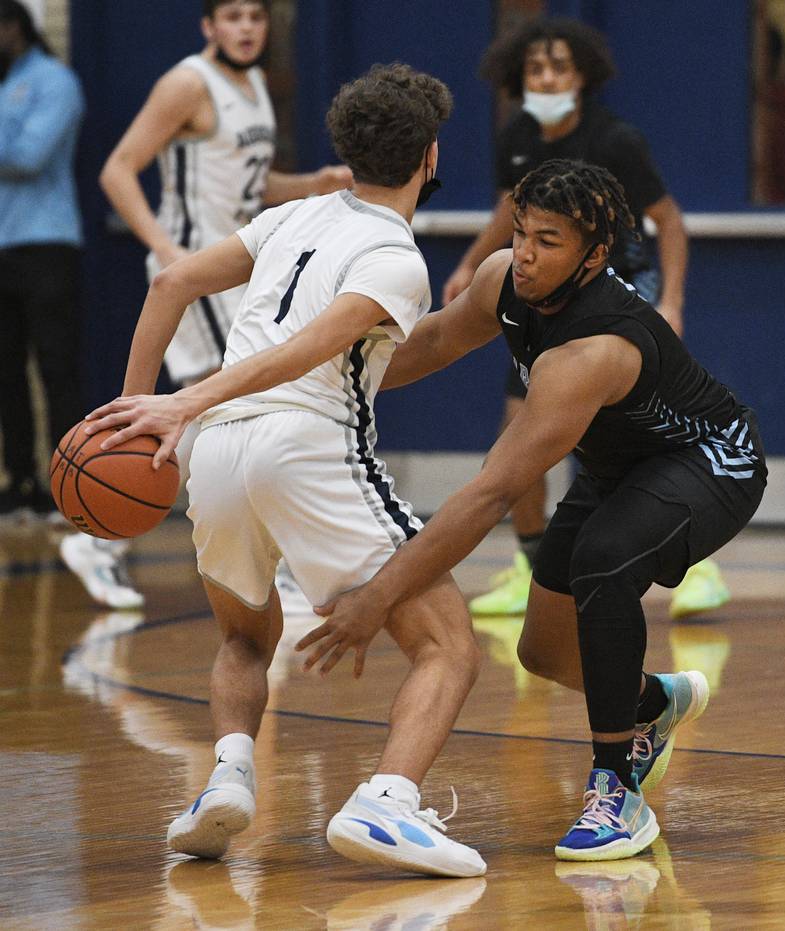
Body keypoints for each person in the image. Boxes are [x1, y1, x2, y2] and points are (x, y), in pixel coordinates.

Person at [298, 160, 767, 861]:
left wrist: (379, 596)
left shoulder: (594, 347)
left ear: (595, 255)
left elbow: (489, 492)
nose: (523, 253)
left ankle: (617, 790)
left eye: (547, 240)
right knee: (544, 652)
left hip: (711, 462)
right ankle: (648, 702)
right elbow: (431, 341)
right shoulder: (502, 279)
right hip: (620, 468)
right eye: (520, 232)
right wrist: (317, 384)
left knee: (602, 562)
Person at [83, 63, 486, 877]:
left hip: (218, 453)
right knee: (448, 643)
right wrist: (179, 401)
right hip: (300, 444)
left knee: (242, 633)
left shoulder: (291, 213)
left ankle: (226, 778)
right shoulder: (394, 254)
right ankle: (389, 803)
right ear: (431, 157)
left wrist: (142, 410)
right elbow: (309, 347)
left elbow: (170, 281)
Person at [60, 0, 350, 611]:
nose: (246, 27)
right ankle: (105, 535)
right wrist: (166, 248)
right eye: (233, 16)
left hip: (235, 269)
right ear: (208, 26)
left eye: (256, 16)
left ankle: (109, 534)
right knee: (230, 404)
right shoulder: (188, 81)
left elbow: (250, 184)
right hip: (192, 270)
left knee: (219, 409)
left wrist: (312, 184)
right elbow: (119, 170)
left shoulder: (253, 87)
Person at [441, 17, 721, 621]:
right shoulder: (517, 134)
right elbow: (509, 208)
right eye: (536, 68)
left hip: (618, 296)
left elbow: (669, 222)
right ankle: (528, 567)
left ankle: (697, 567)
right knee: (517, 433)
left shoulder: (615, 140)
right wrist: (468, 266)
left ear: (582, 75)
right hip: (548, 302)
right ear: (520, 77)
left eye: (559, 67)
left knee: (633, 444)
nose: (547, 77)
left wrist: (669, 302)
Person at [0, 0, 85, 520]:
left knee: (57, 367)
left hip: (47, 242)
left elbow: (29, 158)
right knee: (6, 371)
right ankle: (21, 481)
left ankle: (67, 482)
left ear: (13, 27)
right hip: (2, 245)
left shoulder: (54, 81)